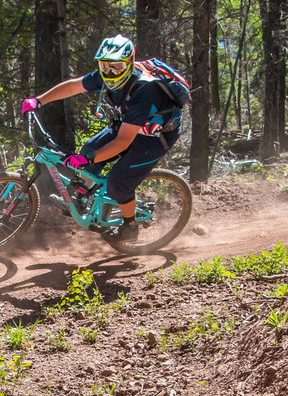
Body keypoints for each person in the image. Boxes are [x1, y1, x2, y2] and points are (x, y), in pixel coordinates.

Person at [21, 34, 181, 243]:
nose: (110, 72)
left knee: (119, 182)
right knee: (89, 149)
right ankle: (81, 198)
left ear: (130, 63)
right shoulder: (104, 75)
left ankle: (130, 226)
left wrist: (88, 160)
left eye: (117, 66)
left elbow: (122, 142)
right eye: (105, 66)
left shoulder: (145, 90)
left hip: (156, 136)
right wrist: (38, 100)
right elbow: (72, 86)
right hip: (130, 125)